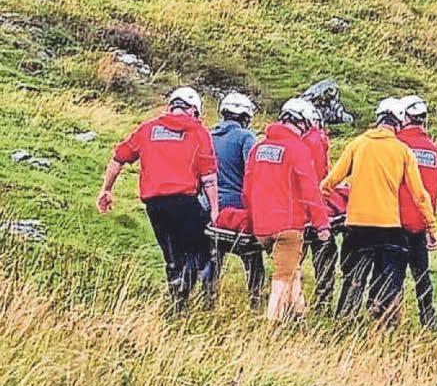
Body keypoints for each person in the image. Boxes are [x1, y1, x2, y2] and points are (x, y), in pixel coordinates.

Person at [97, 86, 219, 309]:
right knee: (203, 247)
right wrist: (214, 209)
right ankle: (201, 298)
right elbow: (209, 177)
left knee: (172, 255)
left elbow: (118, 158)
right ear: (193, 110)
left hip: (155, 205)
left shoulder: (148, 129)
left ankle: (176, 305)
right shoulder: (198, 132)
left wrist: (106, 189)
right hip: (184, 201)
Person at [321, 98, 437, 324]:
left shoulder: (357, 144)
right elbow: (420, 195)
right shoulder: (403, 151)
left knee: (352, 278)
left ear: (378, 118)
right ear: (400, 122)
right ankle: (383, 326)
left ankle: (343, 324)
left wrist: (321, 209)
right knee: (388, 281)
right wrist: (431, 226)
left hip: (356, 226)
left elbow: (330, 182)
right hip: (388, 227)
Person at [244, 100, 330, 321]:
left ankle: (299, 313)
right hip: (288, 225)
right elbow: (310, 188)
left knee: (292, 269)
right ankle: (273, 322)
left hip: (261, 226)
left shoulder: (259, 148)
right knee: (282, 276)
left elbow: (247, 189)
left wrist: (254, 220)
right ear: (304, 122)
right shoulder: (297, 149)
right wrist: (321, 224)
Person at [209, 90, 264, 308]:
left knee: (214, 257)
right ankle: (255, 301)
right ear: (244, 117)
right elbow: (254, 170)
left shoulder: (209, 136)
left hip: (210, 208)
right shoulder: (245, 137)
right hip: (237, 209)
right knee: (253, 258)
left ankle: (208, 300)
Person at [395, 95, 437, 330]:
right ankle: (428, 318)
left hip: (393, 220)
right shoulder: (433, 151)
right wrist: (429, 224)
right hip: (420, 222)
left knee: (392, 275)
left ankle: (390, 319)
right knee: (421, 274)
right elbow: (432, 192)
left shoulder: (396, 145)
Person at [297, 99, 339, 308]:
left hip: (294, 211)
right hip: (314, 209)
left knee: (293, 260)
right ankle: (323, 302)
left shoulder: (290, 141)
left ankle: (292, 300)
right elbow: (320, 176)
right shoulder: (317, 139)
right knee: (326, 253)